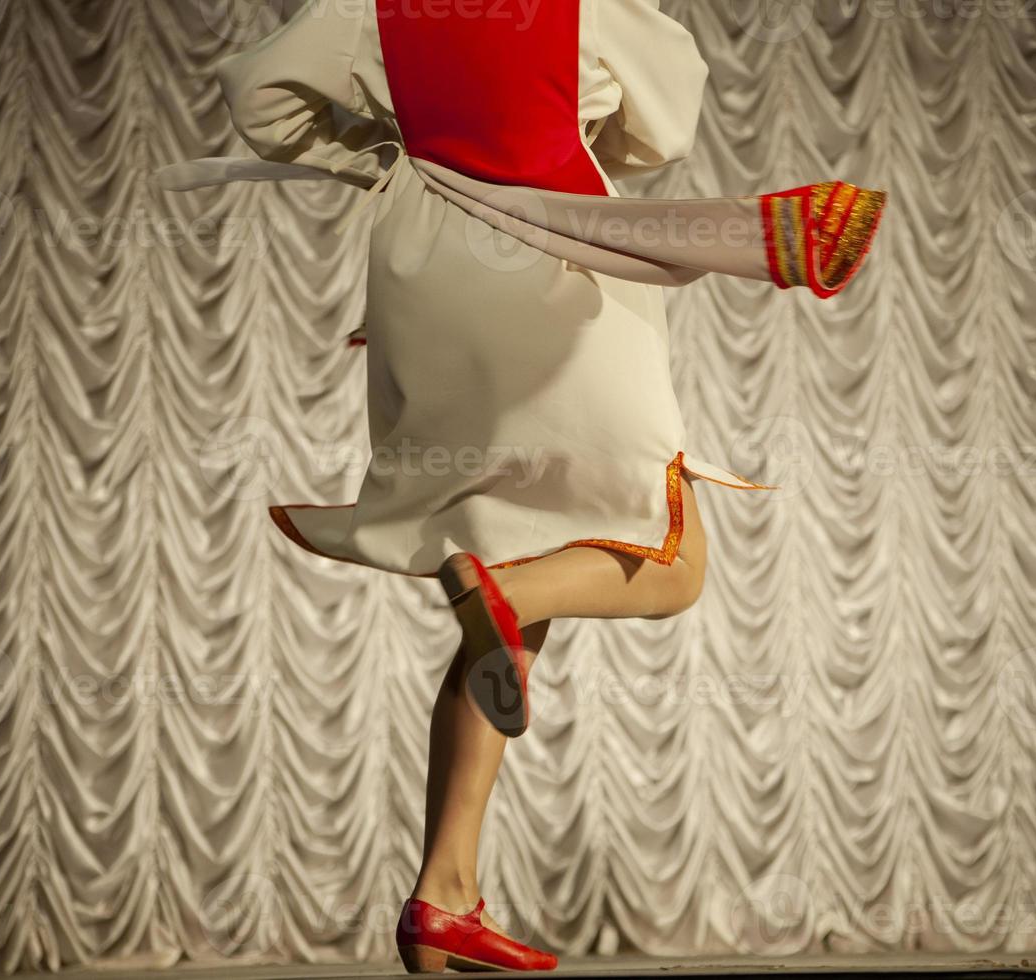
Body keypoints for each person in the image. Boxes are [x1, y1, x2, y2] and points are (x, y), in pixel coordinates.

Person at [158, 0, 884, 971]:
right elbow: (665, 125)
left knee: (503, 561)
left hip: (428, 278)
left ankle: (444, 892)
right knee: (669, 560)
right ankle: (512, 599)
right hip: (560, 257)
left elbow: (261, 101)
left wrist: (387, 154)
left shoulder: (372, 11)